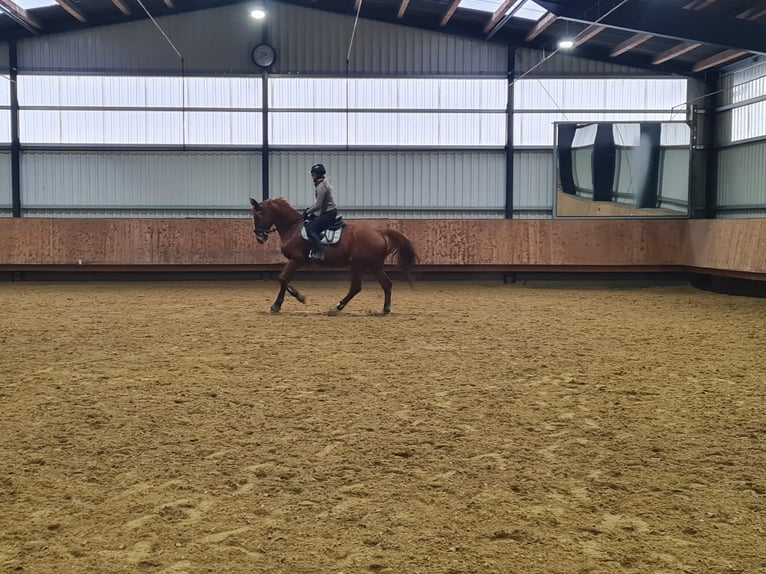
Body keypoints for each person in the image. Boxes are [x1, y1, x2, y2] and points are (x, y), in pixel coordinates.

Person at [303, 163, 338, 260]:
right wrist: (310, 211)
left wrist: (307, 212)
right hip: (327, 212)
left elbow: (318, 205)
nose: (312, 176)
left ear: (317, 175)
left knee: (310, 228)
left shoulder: (321, 187)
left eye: (313, 174)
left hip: (328, 213)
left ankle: (319, 252)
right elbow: (319, 204)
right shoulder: (321, 184)